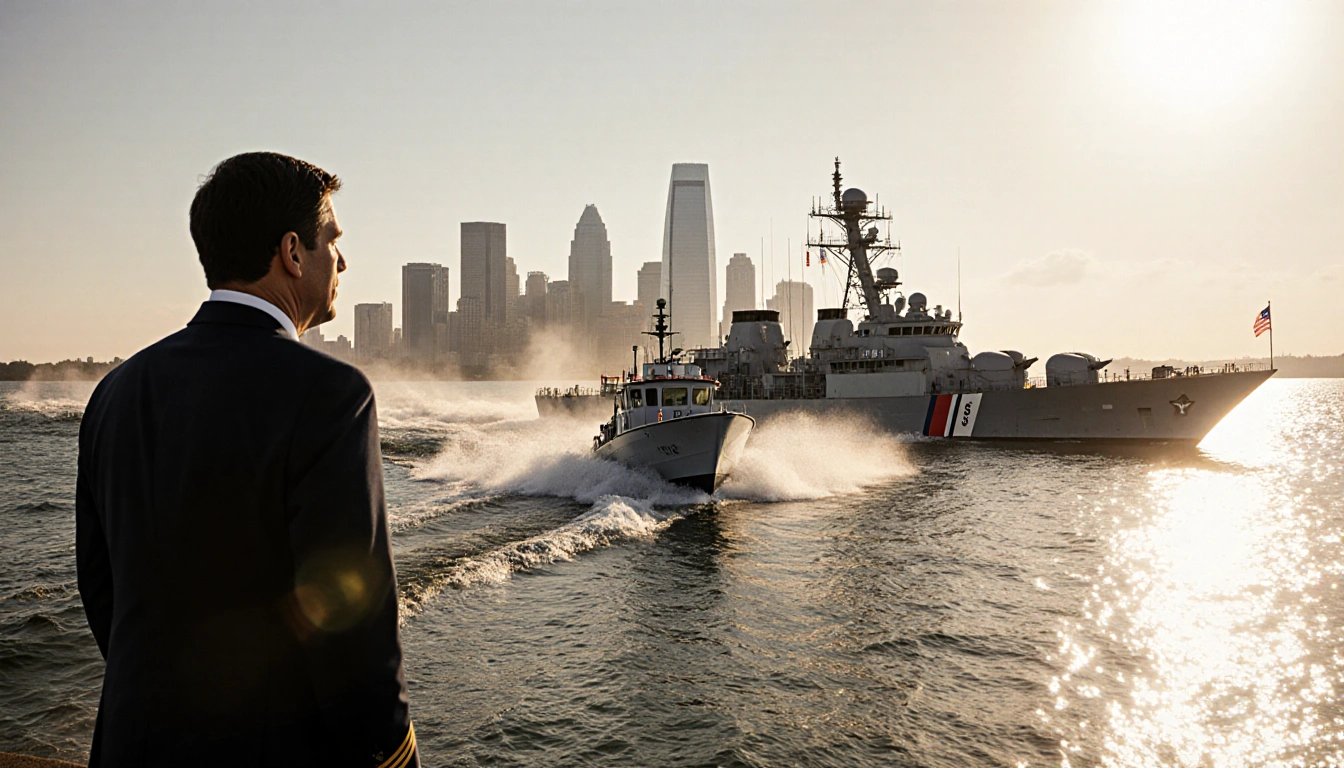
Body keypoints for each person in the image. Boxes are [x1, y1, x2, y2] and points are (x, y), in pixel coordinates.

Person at [76, 152, 418, 767]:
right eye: (332, 241)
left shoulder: (115, 392)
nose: (342, 261)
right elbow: (352, 630)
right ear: (292, 252)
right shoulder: (331, 395)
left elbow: (102, 592)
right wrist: (392, 756)